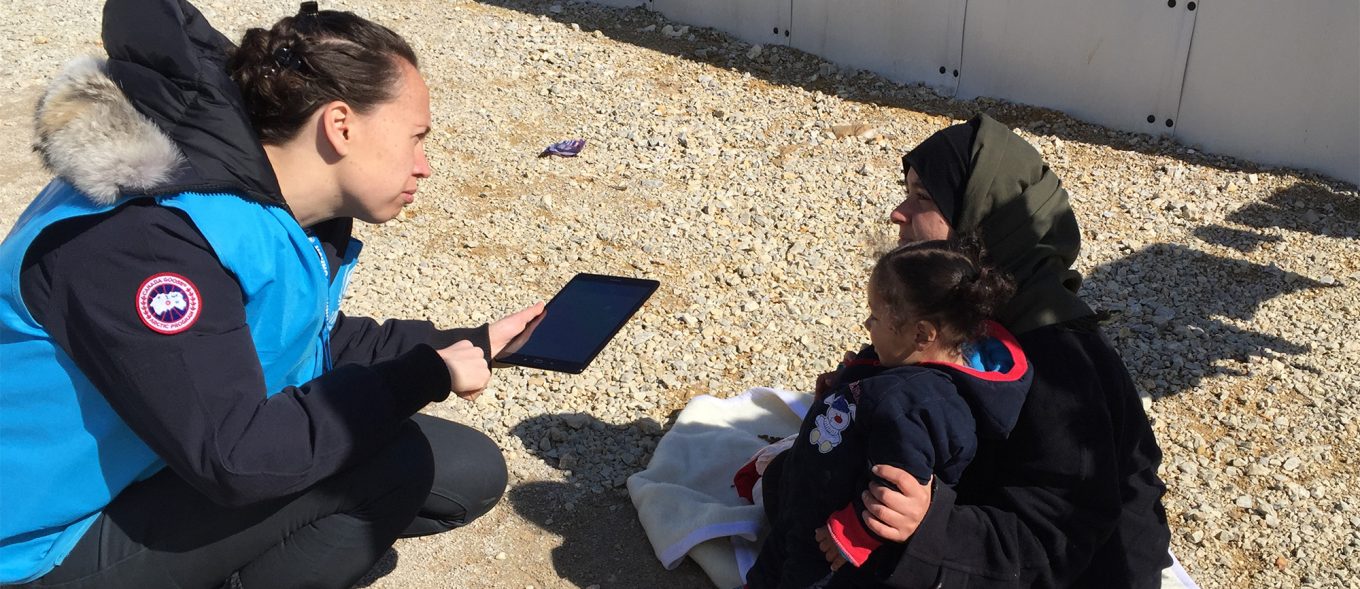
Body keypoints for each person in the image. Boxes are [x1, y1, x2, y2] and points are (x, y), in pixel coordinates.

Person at [0, 1, 542, 587]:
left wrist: (471, 342)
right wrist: (422, 377)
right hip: (37, 539)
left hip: (160, 454)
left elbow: (291, 335)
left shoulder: (253, 197)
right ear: (340, 125)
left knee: (461, 469)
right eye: (415, 138)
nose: (424, 166)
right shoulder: (148, 240)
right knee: (394, 461)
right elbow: (239, 460)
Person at [812, 114, 1172, 587]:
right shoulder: (959, 309)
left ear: (982, 220)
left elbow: (1061, 532)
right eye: (907, 193)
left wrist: (931, 526)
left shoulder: (1057, 359)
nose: (898, 213)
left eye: (923, 198)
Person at [743, 238, 1033, 588]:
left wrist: (853, 533)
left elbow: (898, 479)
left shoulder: (918, 403)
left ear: (922, 333)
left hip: (828, 529)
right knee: (771, 562)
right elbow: (871, 385)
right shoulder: (910, 359)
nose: (867, 324)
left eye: (875, 316)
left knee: (796, 574)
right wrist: (840, 388)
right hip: (807, 495)